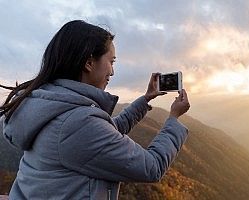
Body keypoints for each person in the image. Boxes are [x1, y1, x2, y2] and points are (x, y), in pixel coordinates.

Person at [0, 20, 190, 200]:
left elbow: (107, 132)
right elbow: (152, 167)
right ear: (89, 63)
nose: (113, 72)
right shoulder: (77, 123)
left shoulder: (49, 106)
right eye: (111, 61)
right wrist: (173, 118)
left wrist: (146, 99)